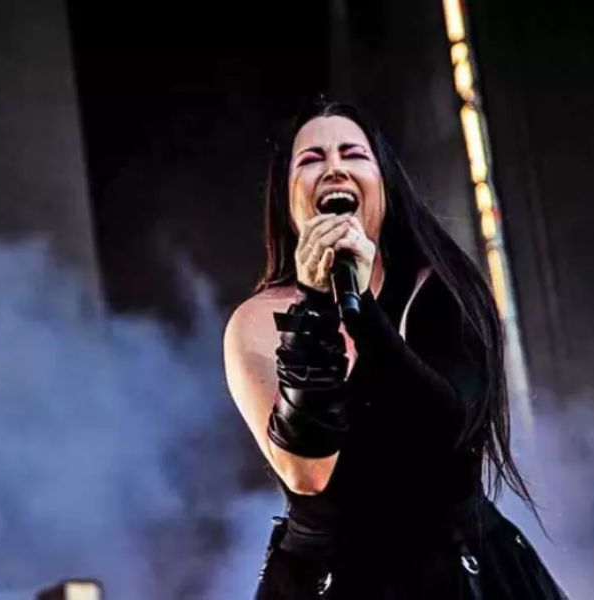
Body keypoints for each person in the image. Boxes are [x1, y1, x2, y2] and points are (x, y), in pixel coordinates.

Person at [223, 98, 566, 599]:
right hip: (333, 581)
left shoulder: (445, 289)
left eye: (353, 154)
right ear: (287, 197)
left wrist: (363, 312)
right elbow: (307, 472)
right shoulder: (255, 322)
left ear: (383, 183)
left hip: (457, 573)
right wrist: (316, 306)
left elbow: (445, 428)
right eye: (311, 159)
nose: (334, 168)